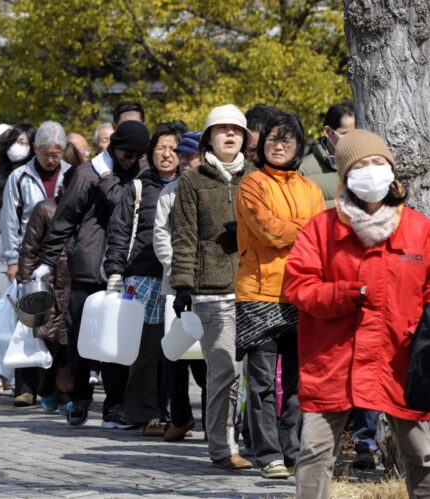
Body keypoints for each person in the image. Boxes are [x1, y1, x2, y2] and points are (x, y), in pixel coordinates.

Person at [285, 129, 430, 498]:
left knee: (423, 455)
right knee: (314, 453)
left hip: (402, 360)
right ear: (345, 175)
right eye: (360, 165)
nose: (370, 171)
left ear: (391, 170)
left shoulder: (419, 229)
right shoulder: (321, 229)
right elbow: (298, 286)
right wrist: (343, 295)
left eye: (377, 163)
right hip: (332, 359)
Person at [35, 119, 151, 428]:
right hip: (88, 263)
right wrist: (46, 260)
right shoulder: (88, 174)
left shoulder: (140, 174)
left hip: (124, 266)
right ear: (114, 147)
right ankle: (80, 398)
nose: (131, 158)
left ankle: (115, 403)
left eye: (137, 154)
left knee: (116, 337)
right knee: (80, 338)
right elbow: (65, 219)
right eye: (127, 152)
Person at [235, 110, 325, 479]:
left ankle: (291, 450)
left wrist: (303, 230)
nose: (280, 145)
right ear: (261, 145)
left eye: (287, 139)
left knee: (298, 382)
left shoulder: (311, 188)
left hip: (302, 293)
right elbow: (269, 231)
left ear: (299, 146)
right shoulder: (252, 184)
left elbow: (323, 237)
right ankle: (267, 453)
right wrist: (308, 228)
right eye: (273, 138)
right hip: (260, 293)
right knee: (260, 381)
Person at [171, 104, 253, 470]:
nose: (229, 135)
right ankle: (222, 447)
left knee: (251, 375)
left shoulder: (256, 175)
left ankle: (249, 440)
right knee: (224, 370)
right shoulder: (193, 179)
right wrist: (183, 284)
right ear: (208, 137)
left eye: (235, 130)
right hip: (211, 287)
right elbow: (184, 235)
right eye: (221, 129)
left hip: (253, 287)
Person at [104, 122, 185, 436]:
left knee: (172, 351)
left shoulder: (189, 185)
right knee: (145, 351)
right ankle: (145, 414)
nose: (166, 154)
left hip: (177, 277)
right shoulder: (138, 187)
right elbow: (120, 232)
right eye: (160, 148)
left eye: (172, 148)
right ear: (150, 153)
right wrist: (114, 273)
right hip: (143, 276)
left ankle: (173, 415)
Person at [0, 122, 70, 405]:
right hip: (30, 253)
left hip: (62, 258)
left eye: (56, 154)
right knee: (28, 321)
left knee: (55, 326)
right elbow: (9, 221)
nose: (51, 160)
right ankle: (25, 388)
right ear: (35, 149)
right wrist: (12, 260)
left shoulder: (71, 174)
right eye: (46, 154)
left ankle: (51, 387)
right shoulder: (19, 177)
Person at [153, 130, 207, 442]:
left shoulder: (218, 188)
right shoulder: (169, 192)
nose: (184, 161)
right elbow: (160, 236)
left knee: (207, 357)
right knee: (173, 352)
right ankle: (180, 416)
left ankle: (213, 417)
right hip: (175, 283)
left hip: (212, 285)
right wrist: (179, 270)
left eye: (190, 155)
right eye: (182, 156)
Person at [299, 100, 355, 208]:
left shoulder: (367, 164)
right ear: (328, 132)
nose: (352, 139)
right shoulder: (304, 171)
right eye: (346, 134)